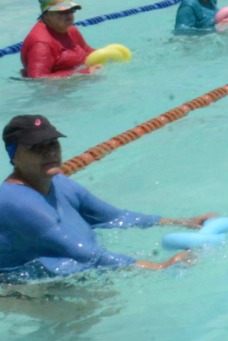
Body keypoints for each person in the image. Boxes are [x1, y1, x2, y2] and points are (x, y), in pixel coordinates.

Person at [1, 115, 213, 280]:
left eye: (52, 144)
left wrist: (182, 222)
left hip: (68, 274)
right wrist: (158, 268)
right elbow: (86, 256)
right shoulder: (17, 202)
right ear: (14, 156)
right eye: (37, 148)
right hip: (21, 292)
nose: (49, 152)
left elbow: (114, 217)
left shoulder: (59, 183)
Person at [21, 0, 95, 78]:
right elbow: (39, 79)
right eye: (62, 12)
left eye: (71, 10)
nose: (69, 16)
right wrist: (84, 72)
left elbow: (87, 50)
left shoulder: (70, 29)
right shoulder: (41, 44)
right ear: (47, 15)